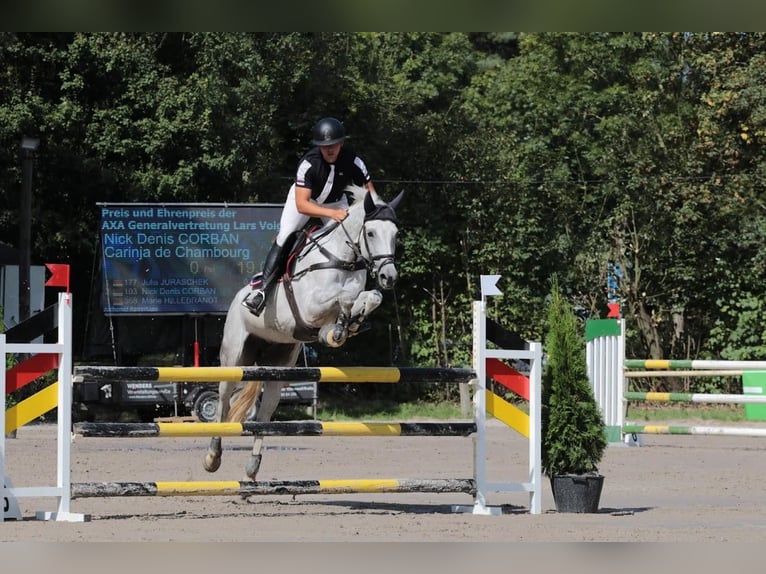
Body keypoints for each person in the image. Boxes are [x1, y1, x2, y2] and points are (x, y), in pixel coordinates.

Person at [242, 117, 377, 315]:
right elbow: (302, 204)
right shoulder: (308, 163)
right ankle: (263, 292)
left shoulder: (354, 161)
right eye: (324, 146)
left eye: (333, 145)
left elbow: (371, 196)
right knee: (285, 235)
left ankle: (359, 288)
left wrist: (377, 214)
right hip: (305, 201)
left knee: (353, 236)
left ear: (341, 143)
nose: (329, 149)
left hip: (336, 201)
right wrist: (331, 213)